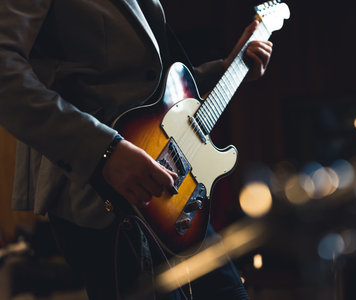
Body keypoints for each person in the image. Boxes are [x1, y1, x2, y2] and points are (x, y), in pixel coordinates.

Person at [0, 0, 272, 299]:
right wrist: (105, 150)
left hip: (171, 194)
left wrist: (227, 69)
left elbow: (159, 89)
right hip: (103, 198)